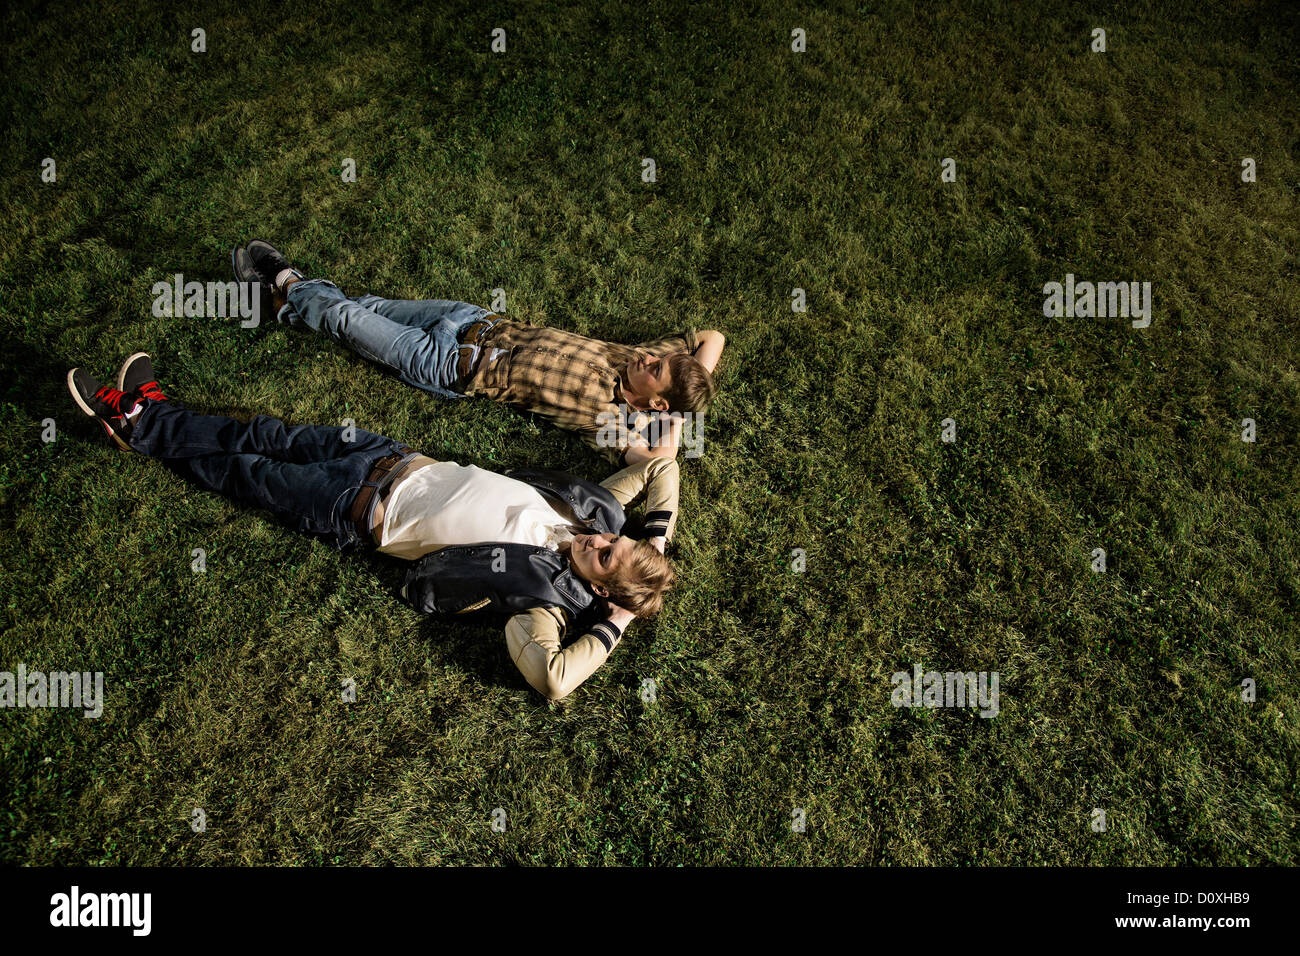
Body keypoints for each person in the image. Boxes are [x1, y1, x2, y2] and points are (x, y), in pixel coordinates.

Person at [65, 353, 680, 701]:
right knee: (263, 433)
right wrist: (652, 538)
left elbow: (554, 681)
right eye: (613, 539)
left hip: (354, 506)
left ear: (600, 591)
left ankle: (140, 426)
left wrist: (615, 626)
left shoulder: (543, 604)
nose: (597, 541)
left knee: (247, 472)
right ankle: (160, 412)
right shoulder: (595, 518)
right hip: (393, 456)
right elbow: (661, 467)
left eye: (603, 558)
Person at [231, 240, 726, 465]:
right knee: (366, 306)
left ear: (657, 402)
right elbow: (714, 338)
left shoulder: (612, 423)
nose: (645, 359)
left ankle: (284, 278)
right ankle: (281, 307)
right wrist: (677, 386)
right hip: (473, 319)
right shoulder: (636, 356)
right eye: (655, 358)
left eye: (654, 370)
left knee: (345, 319)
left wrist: (675, 422)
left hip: (447, 364)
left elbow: (659, 462)